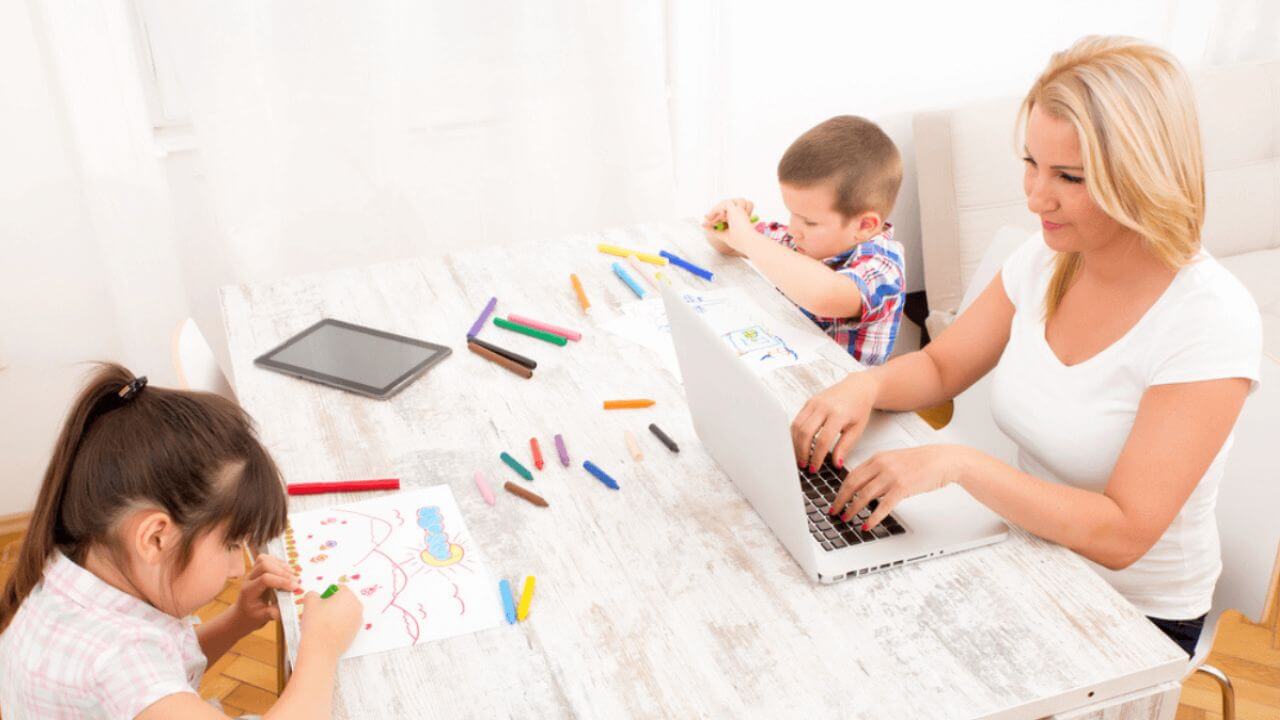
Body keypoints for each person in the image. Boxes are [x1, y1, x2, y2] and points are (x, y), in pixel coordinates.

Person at [789, 36, 1262, 656]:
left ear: (1142, 177)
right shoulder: (1047, 257)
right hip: (1024, 554)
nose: (1036, 196)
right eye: (1031, 162)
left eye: (1069, 176)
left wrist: (957, 466)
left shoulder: (1209, 319)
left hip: (1131, 618)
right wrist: (866, 384)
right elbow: (940, 365)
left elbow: (1123, 534)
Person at [0, 363, 363, 718]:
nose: (239, 569)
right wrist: (322, 646)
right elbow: (136, 672)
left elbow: (163, 669)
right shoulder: (117, 662)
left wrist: (238, 621)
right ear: (156, 538)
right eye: (232, 545)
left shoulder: (68, 566)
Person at [704, 115, 907, 366]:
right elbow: (725, 243)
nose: (793, 228)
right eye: (792, 214)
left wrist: (747, 239)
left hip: (839, 395)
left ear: (865, 226)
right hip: (784, 370)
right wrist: (724, 224)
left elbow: (824, 295)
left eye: (809, 221)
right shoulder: (803, 239)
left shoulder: (883, 268)